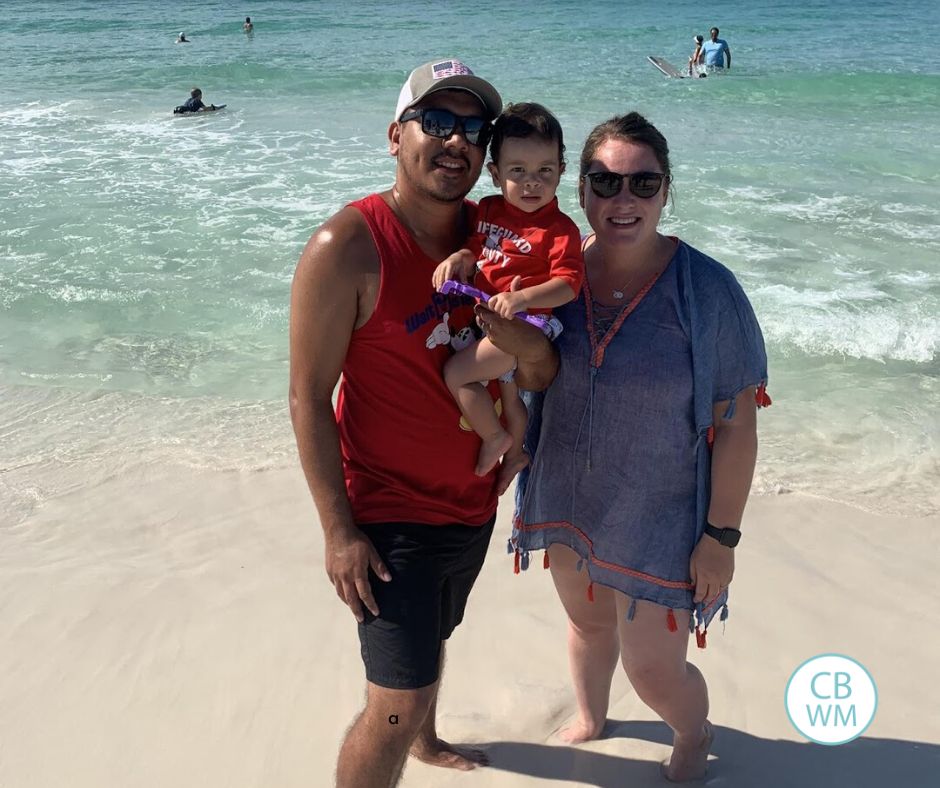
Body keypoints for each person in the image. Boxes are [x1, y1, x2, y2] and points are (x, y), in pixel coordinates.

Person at [288, 59, 556, 788]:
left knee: (435, 641)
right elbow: (308, 397)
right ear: (394, 135)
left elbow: (538, 369)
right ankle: (412, 735)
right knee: (394, 706)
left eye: (472, 128)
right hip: (387, 516)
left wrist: (522, 355)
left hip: (470, 502)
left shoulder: (494, 233)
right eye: (435, 121)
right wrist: (338, 531)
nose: (455, 141)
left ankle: (429, 744)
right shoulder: (346, 247)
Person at [502, 112, 769, 781]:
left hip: (662, 518)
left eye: (643, 184)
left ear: (666, 191)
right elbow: (487, 357)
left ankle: (692, 733)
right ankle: (592, 716)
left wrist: (721, 539)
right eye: (606, 181)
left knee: (654, 669)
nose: (623, 200)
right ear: (581, 190)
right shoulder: (548, 278)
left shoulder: (706, 292)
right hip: (567, 499)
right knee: (587, 629)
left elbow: (737, 424)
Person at [431, 102, 583, 488]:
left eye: (544, 171)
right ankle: (516, 453)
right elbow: (476, 248)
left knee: (457, 374)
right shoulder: (489, 208)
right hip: (495, 321)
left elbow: (569, 284)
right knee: (509, 397)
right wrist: (460, 258)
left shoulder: (560, 229)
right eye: (518, 171)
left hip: (531, 324)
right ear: (495, 174)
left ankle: (494, 437)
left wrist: (522, 299)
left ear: (561, 172)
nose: (532, 182)